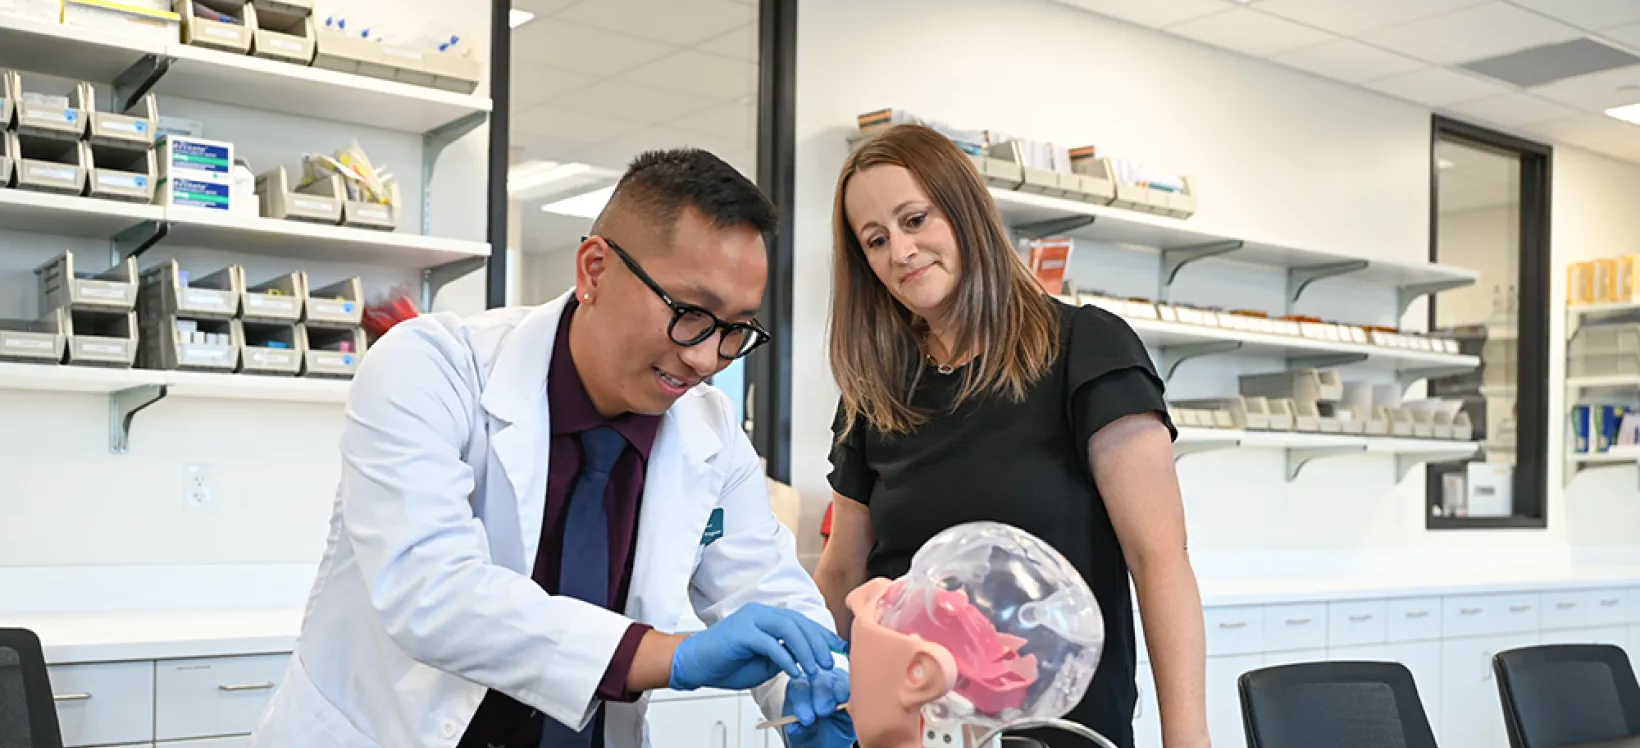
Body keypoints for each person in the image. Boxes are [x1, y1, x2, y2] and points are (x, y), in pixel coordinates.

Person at [250, 149, 854, 748]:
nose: (704, 357)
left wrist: (822, 688)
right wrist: (671, 657)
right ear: (594, 269)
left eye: (736, 329)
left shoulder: (711, 430)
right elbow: (433, 594)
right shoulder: (430, 368)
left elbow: (765, 587)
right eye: (691, 312)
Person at [813, 124, 1211, 748]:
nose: (901, 251)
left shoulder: (1086, 349)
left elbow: (1158, 560)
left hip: (1060, 733)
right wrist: (806, 673)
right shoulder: (875, 393)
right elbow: (845, 569)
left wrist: (1188, 741)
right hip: (909, 732)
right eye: (876, 240)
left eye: (916, 219)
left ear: (966, 211)